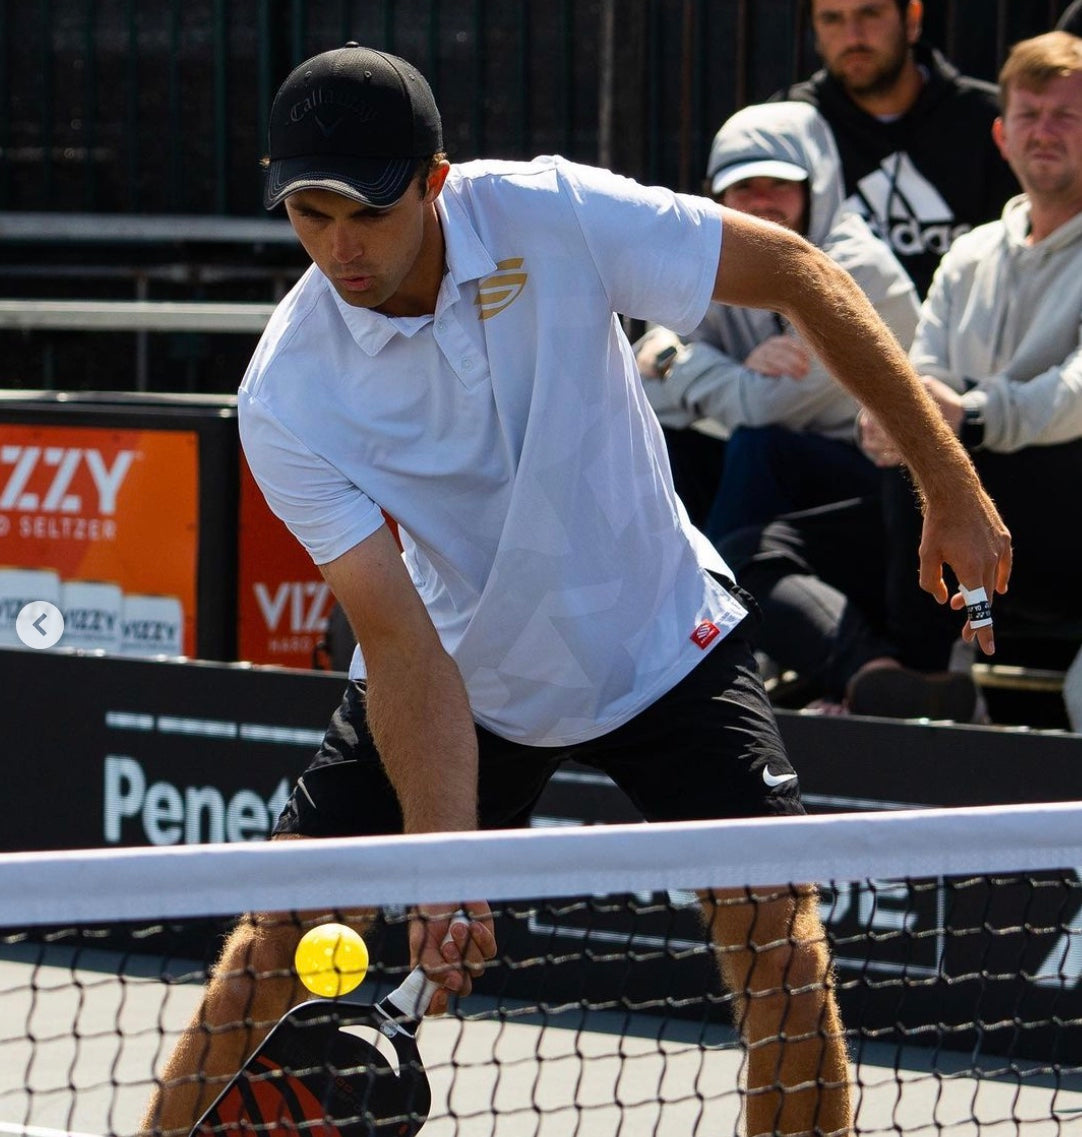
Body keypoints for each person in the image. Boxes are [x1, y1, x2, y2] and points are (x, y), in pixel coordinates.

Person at [141, 43, 1010, 1137]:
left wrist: (948, 480)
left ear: (434, 179)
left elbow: (796, 272)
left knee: (777, 942)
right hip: (460, 665)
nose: (338, 248)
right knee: (271, 947)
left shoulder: (549, 213)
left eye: (364, 211)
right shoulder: (287, 395)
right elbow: (401, 646)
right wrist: (446, 869)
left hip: (657, 635)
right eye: (309, 214)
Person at [727, 29, 1082, 720]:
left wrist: (962, 417)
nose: (1045, 132)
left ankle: (919, 673)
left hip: (1062, 530)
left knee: (926, 438)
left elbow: (1075, 393)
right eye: (1030, 116)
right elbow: (921, 374)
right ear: (1001, 138)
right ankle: (881, 675)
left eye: (1066, 115)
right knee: (752, 549)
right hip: (959, 519)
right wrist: (908, 417)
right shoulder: (972, 253)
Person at [636, 100, 919, 540]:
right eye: (744, 186)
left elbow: (766, 407)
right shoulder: (720, 256)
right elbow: (641, 393)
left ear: (815, 189)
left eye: (779, 184)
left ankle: (716, 598)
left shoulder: (860, 270)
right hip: (784, 465)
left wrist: (671, 361)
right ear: (719, 197)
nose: (761, 202)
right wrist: (735, 370)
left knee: (759, 446)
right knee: (660, 441)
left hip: (881, 488)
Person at [777, 0, 1019, 298]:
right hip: (829, 338)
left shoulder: (992, 122)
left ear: (912, 18)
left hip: (971, 334)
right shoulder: (790, 128)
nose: (853, 37)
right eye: (832, 19)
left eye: (870, 13)